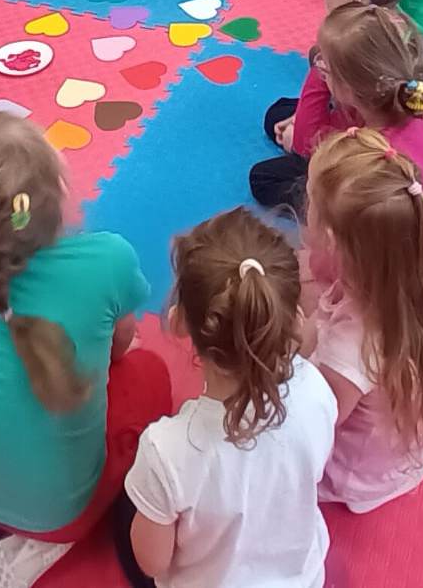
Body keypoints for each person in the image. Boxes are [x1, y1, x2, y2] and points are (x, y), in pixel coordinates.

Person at [0, 114, 172, 588]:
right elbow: (120, 348)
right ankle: (35, 544)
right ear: (58, 191)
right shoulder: (110, 259)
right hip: (58, 511)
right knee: (150, 373)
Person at [118, 209, 337, 588]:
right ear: (293, 319)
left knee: (125, 508)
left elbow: (152, 562)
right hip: (301, 579)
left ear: (178, 321)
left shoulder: (166, 450)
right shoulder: (317, 390)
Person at [305, 129, 423, 513]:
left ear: (331, 239)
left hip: (360, 475)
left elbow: (314, 426)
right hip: (395, 441)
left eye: (309, 200)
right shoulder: (409, 287)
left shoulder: (349, 351)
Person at [295, 5, 423, 311]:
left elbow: (305, 139)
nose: (319, 68)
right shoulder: (413, 118)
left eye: (323, 65)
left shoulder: (370, 163)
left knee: (295, 283)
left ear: (346, 86)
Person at [249, 0, 410, 211]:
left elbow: (304, 144)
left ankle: (330, 211)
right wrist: (299, 117)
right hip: (360, 124)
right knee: (279, 111)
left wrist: (307, 139)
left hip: (359, 152)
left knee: (262, 178)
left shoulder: (346, 47)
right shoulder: (393, 27)